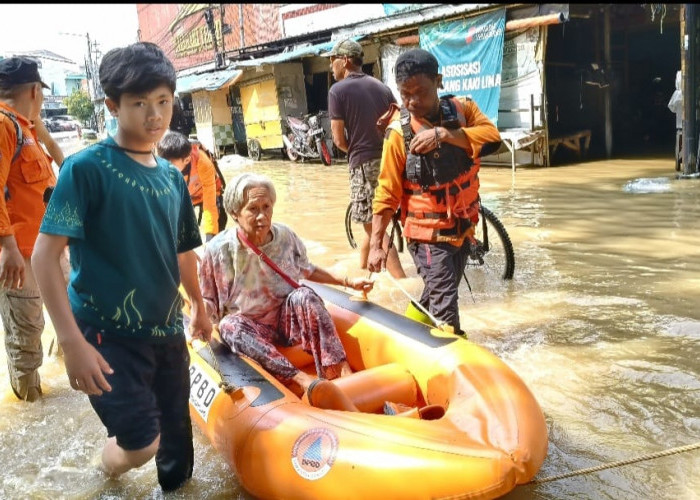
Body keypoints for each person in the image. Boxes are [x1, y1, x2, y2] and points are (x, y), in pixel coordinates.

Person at [32, 42, 212, 492]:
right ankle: (103, 471)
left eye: (163, 102)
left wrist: (201, 307)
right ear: (112, 106)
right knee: (141, 443)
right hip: (105, 333)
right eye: (139, 104)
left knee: (177, 443)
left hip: (168, 331)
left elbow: (183, 251)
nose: (155, 115)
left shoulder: (172, 177)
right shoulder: (86, 168)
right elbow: (44, 256)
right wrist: (71, 342)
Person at [199, 172, 374, 397]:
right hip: (251, 329)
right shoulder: (218, 250)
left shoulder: (285, 237)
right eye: (253, 209)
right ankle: (301, 380)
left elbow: (306, 269)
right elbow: (209, 301)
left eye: (267, 207)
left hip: (287, 322)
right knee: (229, 325)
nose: (262, 216)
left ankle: (341, 372)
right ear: (235, 213)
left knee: (305, 295)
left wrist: (348, 281)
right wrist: (196, 319)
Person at [368, 48, 502, 336]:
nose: (413, 101)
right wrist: (376, 244)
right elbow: (386, 193)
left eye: (421, 92)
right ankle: (454, 363)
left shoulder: (464, 110)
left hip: (463, 227)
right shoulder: (397, 135)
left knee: (439, 291)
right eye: (405, 94)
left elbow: (493, 138)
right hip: (427, 236)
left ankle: (406, 333)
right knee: (446, 311)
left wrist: (445, 135)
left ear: (438, 82)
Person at [322, 39, 406, 279]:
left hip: (364, 163)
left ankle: (403, 283)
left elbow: (338, 140)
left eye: (332, 59)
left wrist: (356, 152)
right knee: (371, 221)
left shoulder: (337, 91)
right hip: (392, 158)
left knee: (373, 224)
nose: (330, 66)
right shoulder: (382, 87)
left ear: (345, 60)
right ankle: (360, 272)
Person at [0, 56, 54, 402]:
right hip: (19, 253)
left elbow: (61, 167)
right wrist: (8, 247)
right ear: (35, 90)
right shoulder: (4, 126)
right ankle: (30, 404)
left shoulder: (26, 127)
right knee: (25, 333)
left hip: (42, 249)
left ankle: (51, 387)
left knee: (56, 318)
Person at [157, 131, 225, 241]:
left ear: (187, 160)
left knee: (218, 227)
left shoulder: (202, 162)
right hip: (186, 196)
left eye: (170, 166)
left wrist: (210, 236)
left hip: (207, 192)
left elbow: (210, 205)